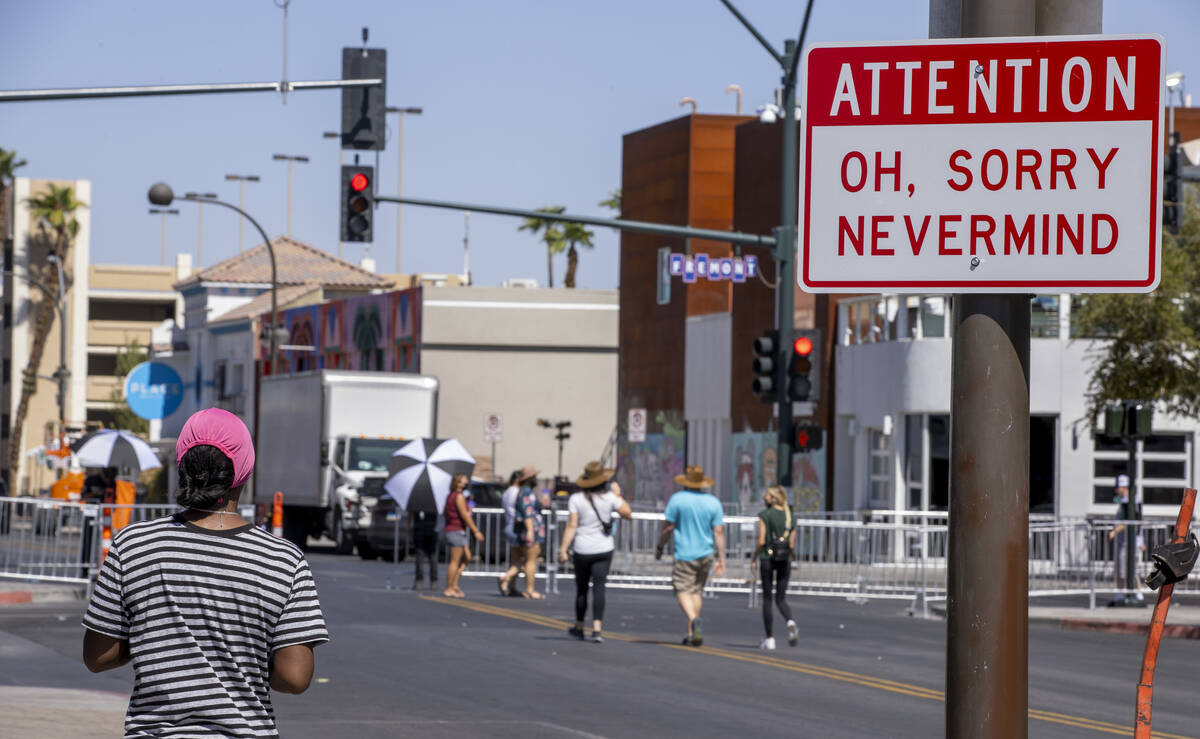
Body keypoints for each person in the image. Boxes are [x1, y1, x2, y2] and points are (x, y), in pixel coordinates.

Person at [82, 407, 328, 737]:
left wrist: (147, 641)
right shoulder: (283, 559)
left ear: (183, 466)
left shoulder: (133, 545)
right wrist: (248, 661)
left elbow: (97, 656)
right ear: (245, 470)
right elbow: (295, 678)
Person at [557, 461, 633, 643]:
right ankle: (597, 628)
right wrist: (618, 495)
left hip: (582, 549)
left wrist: (563, 549)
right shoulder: (610, 497)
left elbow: (572, 525)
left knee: (582, 589)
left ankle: (580, 626)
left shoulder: (576, 499)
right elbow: (628, 513)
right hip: (603, 548)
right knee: (599, 588)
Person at [656, 464, 725, 647]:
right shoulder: (713, 502)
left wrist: (660, 546)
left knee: (682, 590)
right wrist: (721, 559)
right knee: (696, 591)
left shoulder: (678, 500)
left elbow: (668, 527)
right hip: (706, 553)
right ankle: (691, 632)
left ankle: (694, 621)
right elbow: (718, 531)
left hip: (685, 553)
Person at [752, 485, 798, 650]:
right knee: (781, 598)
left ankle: (769, 638)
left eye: (766, 495)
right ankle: (790, 621)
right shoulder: (790, 517)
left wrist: (754, 557)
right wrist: (793, 557)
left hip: (767, 557)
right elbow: (791, 544)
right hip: (784, 558)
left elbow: (761, 540)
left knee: (767, 598)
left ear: (773, 498)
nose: (764, 497)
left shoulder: (765, 514)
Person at [498, 466, 538, 597]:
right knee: (528, 559)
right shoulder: (521, 492)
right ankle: (511, 579)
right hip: (520, 526)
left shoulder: (507, 492)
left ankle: (509, 584)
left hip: (510, 525)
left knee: (516, 558)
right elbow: (526, 511)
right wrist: (530, 529)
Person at [442, 473, 484, 598]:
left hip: (454, 530)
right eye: (464, 480)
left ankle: (454, 584)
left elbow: (446, 513)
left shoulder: (451, 496)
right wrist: (476, 530)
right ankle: (449, 587)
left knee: (466, 557)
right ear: (458, 482)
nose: (466, 482)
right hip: (456, 530)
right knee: (455, 561)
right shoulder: (458, 496)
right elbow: (465, 515)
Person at [1109, 474, 1145, 597]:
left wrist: (1114, 531)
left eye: (1117, 487)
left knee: (1130, 568)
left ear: (1123, 487)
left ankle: (1137, 593)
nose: (1116, 490)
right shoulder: (1127, 500)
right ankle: (1121, 593)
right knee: (1121, 569)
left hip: (1129, 541)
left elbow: (1129, 520)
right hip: (1125, 540)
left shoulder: (1131, 501)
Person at [407, 508, 438, 590]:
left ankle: (420, 580)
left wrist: (409, 527)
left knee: (421, 555)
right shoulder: (434, 499)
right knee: (431, 555)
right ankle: (433, 581)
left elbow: (410, 514)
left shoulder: (416, 499)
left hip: (420, 528)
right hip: (430, 528)